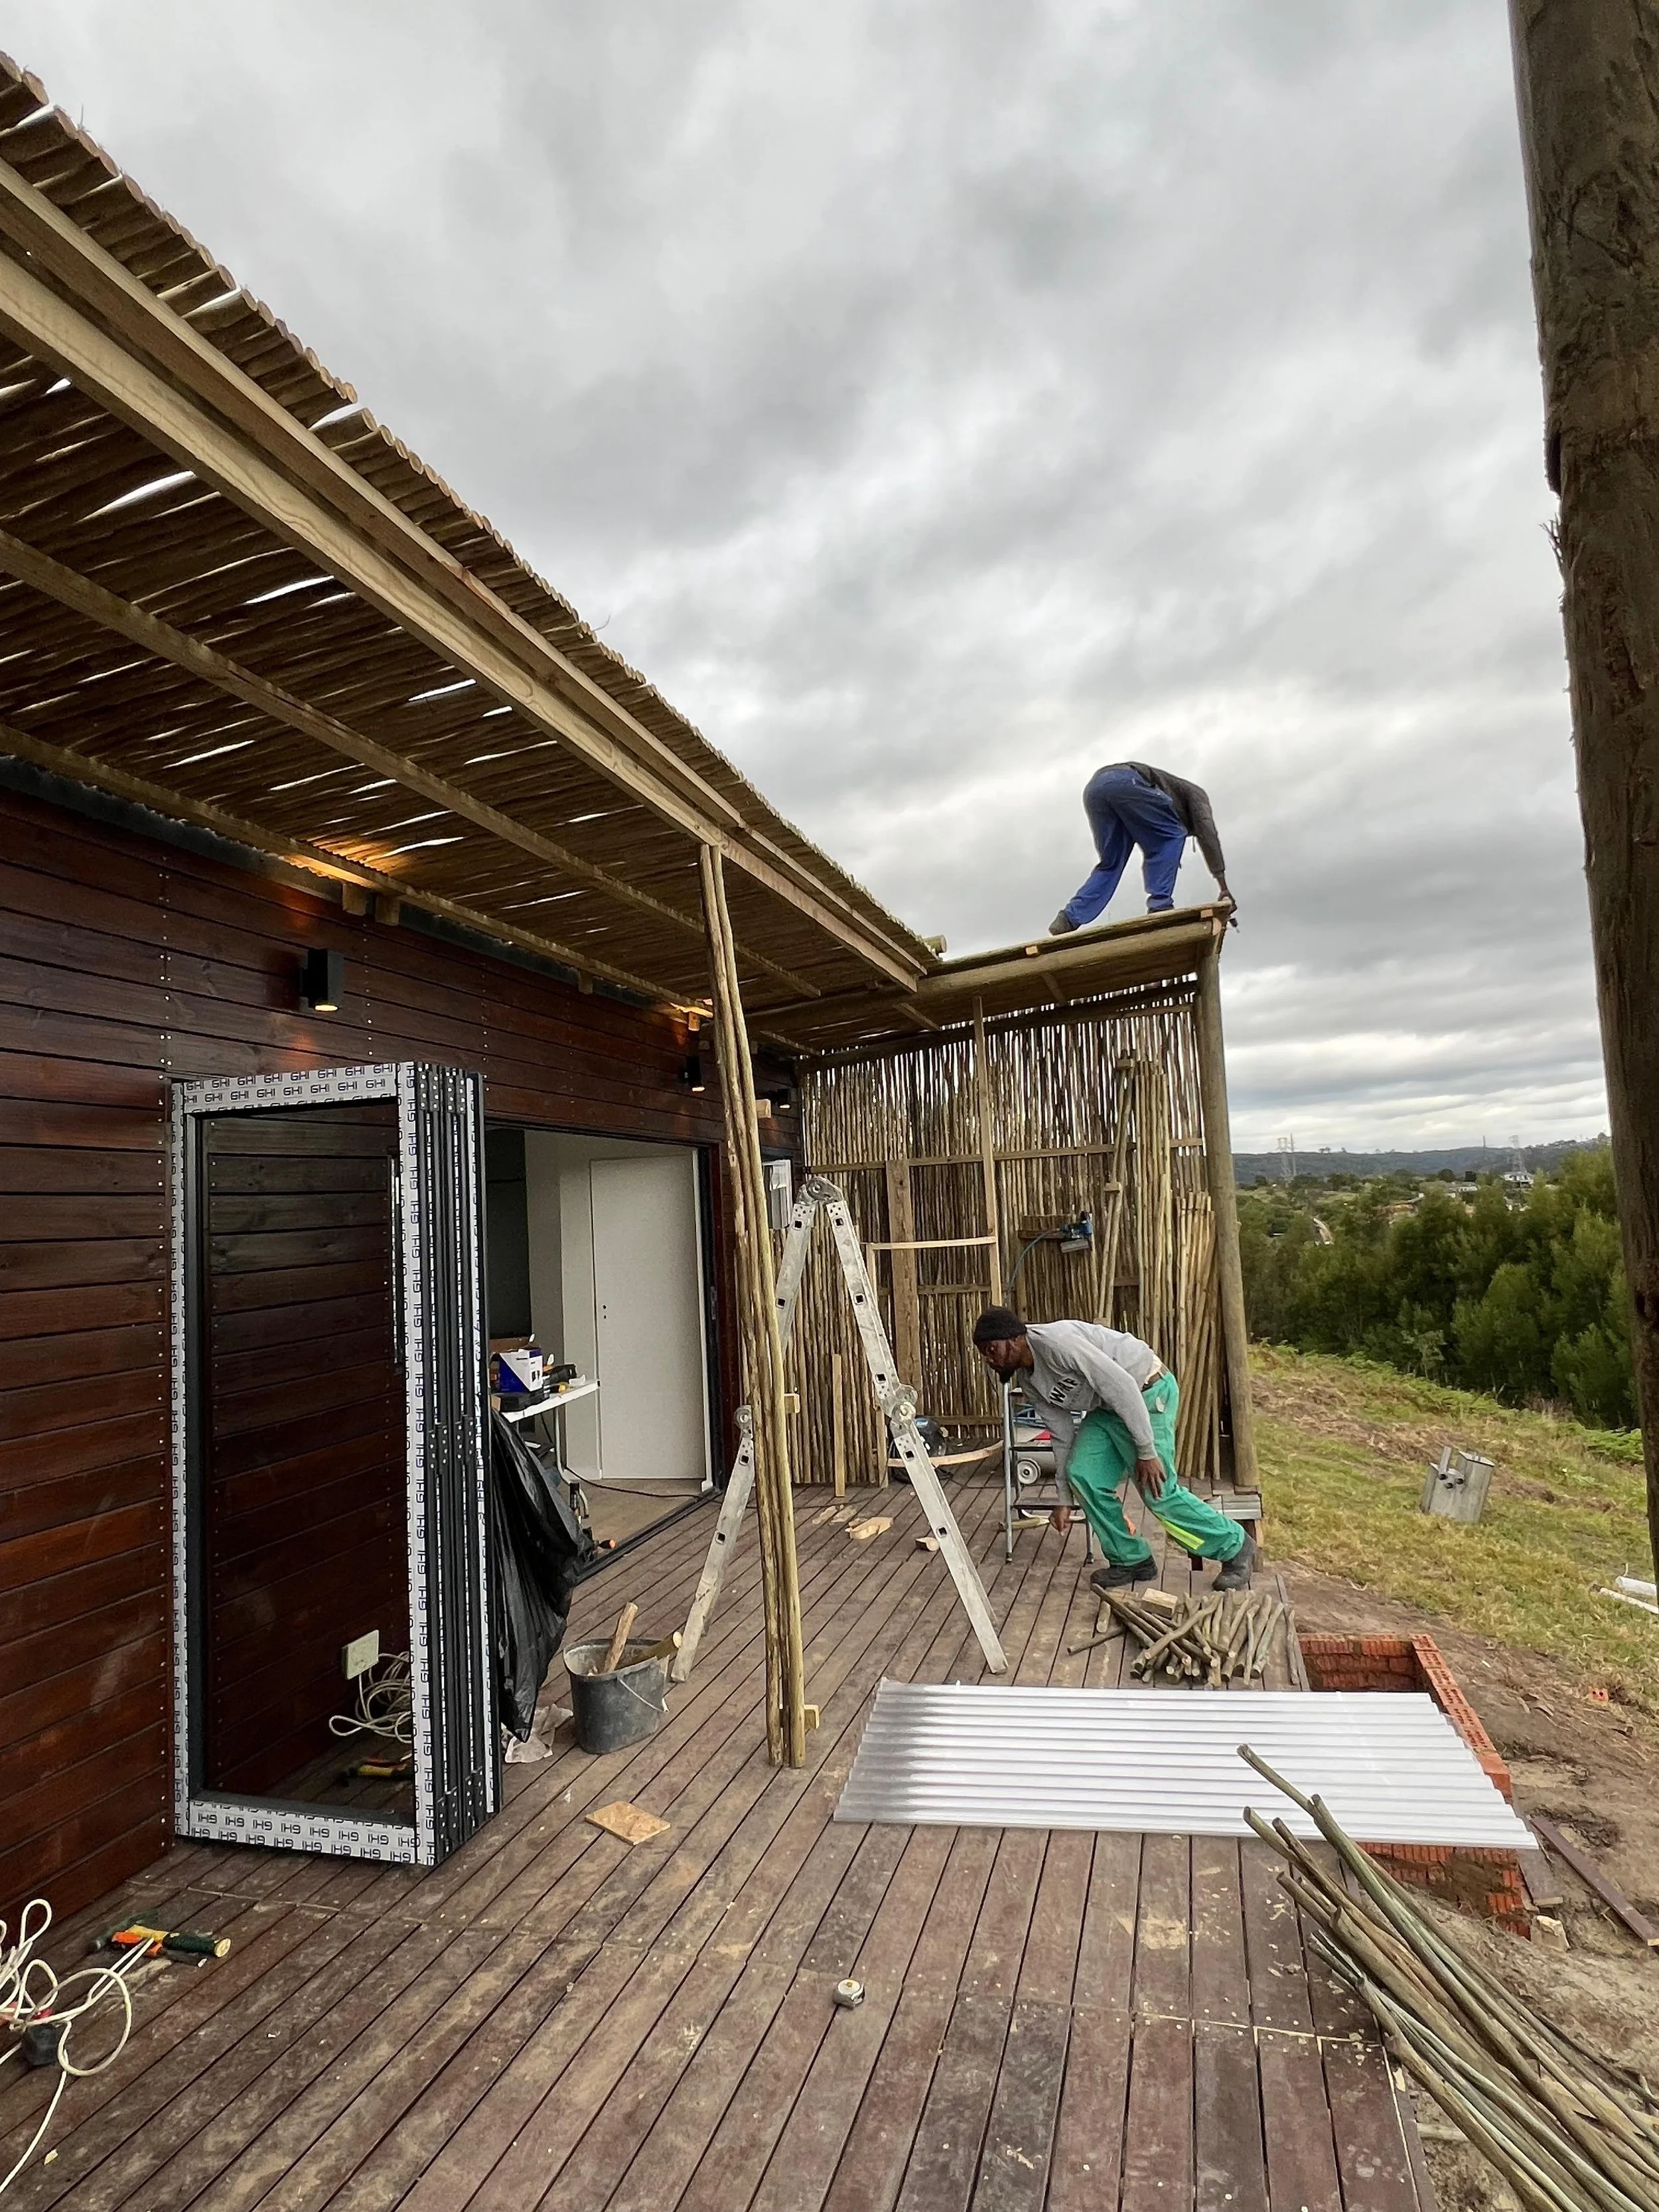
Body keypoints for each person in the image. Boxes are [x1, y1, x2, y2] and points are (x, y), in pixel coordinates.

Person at [972, 1305, 1254, 1593]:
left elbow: (1122, 1386)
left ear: (1015, 1338)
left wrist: (1146, 1451)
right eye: (984, 1353)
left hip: (1146, 1391)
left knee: (1158, 1491)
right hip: (1107, 1408)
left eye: (992, 1349)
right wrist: (1064, 1498)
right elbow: (1061, 1434)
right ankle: (1131, 1559)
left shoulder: (1057, 1344)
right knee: (1082, 1474)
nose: (989, 1359)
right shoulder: (1030, 1382)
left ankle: (1235, 1547)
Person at [1049, 761, 1232, 934]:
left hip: (1095, 790)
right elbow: (1208, 834)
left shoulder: (1153, 811)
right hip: (1127, 781)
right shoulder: (1197, 795)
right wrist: (1223, 886)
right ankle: (1160, 906)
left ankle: (1068, 919)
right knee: (1173, 835)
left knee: (1111, 864)